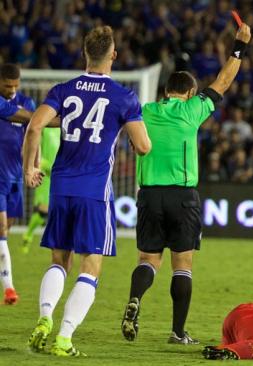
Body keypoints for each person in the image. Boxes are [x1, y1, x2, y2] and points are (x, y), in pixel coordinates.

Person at [23, 25, 151, 357]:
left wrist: (30, 168)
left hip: (61, 188)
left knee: (58, 260)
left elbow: (35, 124)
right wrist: (125, 122)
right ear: (113, 55)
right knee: (90, 267)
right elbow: (143, 147)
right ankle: (64, 339)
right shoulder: (124, 96)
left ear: (85, 54)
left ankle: (44, 318)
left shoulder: (64, 90)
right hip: (94, 191)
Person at [121, 22, 252, 345]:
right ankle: (178, 332)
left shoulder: (145, 111)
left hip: (149, 195)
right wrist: (239, 46)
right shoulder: (194, 110)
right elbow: (223, 80)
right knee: (182, 265)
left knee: (148, 261)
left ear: (166, 91)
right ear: (190, 93)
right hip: (183, 197)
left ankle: (135, 299)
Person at [0, 63, 36, 304]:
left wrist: (33, 165)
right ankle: (9, 288)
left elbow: (34, 132)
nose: (12, 90)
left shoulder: (28, 101)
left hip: (15, 177)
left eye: (15, 85)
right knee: (1, 230)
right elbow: (33, 119)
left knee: (6, 231)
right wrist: (46, 118)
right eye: (6, 86)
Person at [21, 126, 61, 253]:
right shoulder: (45, 127)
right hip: (45, 174)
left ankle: (55, 241)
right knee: (43, 209)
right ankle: (28, 235)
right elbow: (35, 144)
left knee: (55, 210)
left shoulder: (63, 128)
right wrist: (40, 163)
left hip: (59, 173)